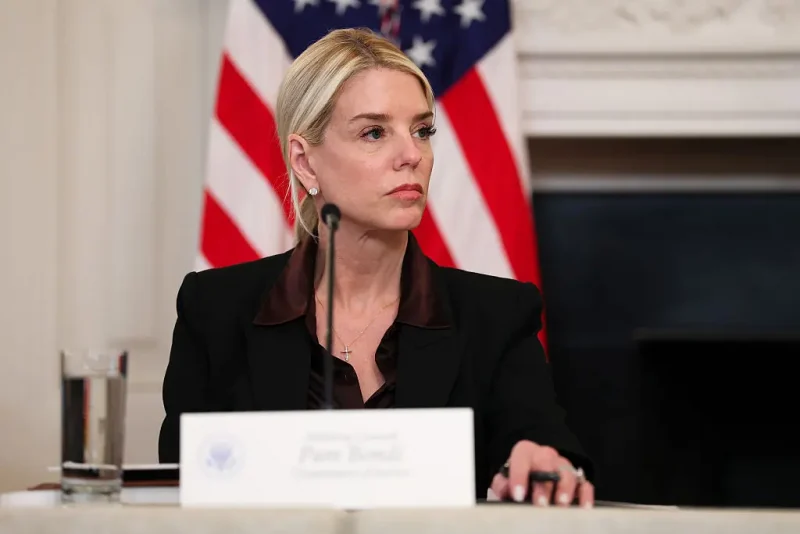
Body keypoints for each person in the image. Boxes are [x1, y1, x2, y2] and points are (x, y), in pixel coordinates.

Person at [158, 27, 594, 507]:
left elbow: (540, 443)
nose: (412, 155)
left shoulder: (498, 314)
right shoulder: (215, 309)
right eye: (374, 132)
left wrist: (543, 462)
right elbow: (181, 491)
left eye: (422, 130)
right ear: (305, 162)